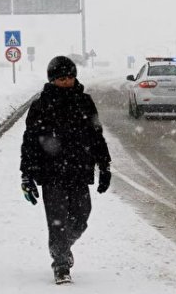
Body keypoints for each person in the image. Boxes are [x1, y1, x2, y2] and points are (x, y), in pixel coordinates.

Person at [19, 55, 111, 284]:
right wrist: (27, 175)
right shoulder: (41, 105)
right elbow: (30, 141)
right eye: (61, 78)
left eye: (70, 77)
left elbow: (96, 135)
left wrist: (104, 165)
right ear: (52, 80)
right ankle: (61, 264)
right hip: (52, 173)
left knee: (81, 217)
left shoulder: (85, 102)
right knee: (57, 219)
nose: (67, 81)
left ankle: (61, 246)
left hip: (79, 170)